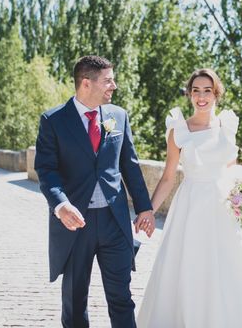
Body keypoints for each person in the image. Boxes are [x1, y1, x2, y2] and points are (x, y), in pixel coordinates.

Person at [137, 68, 242, 327]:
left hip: (224, 209)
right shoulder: (178, 130)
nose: (201, 97)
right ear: (189, 95)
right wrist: (148, 211)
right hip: (191, 206)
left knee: (233, 269)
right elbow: (168, 176)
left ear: (216, 94)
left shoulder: (227, 126)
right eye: (195, 91)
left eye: (207, 91)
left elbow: (232, 170)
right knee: (191, 266)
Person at [34, 55, 155, 328]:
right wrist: (60, 204)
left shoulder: (118, 116)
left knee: (122, 298)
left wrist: (144, 207)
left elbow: (130, 166)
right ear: (86, 83)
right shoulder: (53, 120)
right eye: (108, 80)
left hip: (115, 222)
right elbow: (46, 169)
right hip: (76, 223)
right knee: (75, 303)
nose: (114, 86)